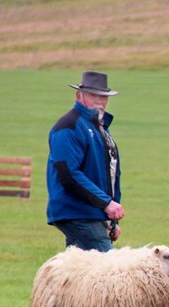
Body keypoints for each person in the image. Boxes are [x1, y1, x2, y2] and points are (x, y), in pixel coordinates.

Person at [46, 71, 124, 251]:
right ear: (78, 95)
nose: (99, 101)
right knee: (108, 266)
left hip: (91, 213)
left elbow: (109, 173)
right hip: (78, 212)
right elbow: (69, 175)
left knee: (78, 267)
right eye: (92, 95)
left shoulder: (99, 127)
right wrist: (106, 204)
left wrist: (110, 221)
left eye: (103, 97)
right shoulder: (68, 127)